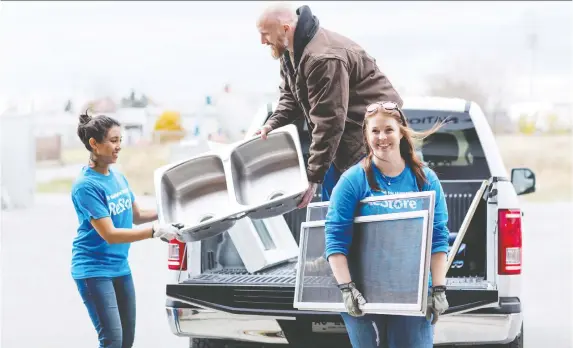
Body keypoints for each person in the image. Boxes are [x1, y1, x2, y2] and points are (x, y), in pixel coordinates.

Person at [324, 101, 450, 348]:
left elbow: (438, 237)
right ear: (366, 136)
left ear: (401, 131)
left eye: (388, 130)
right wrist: (347, 289)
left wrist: (438, 289)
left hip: (412, 294)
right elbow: (335, 238)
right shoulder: (353, 180)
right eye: (375, 131)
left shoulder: (425, 179)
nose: (382, 137)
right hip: (363, 293)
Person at [255, 3, 403, 207]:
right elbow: (290, 97)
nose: (262, 41)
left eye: (265, 34)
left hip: (370, 144)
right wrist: (271, 124)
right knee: (333, 219)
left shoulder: (322, 58)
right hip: (341, 145)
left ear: (285, 29)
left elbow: (329, 121)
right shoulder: (291, 51)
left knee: (361, 220)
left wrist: (313, 177)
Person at [70, 110, 185, 348]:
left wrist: (172, 211)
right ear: (94, 144)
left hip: (120, 268)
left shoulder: (118, 177)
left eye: (120, 140)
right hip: (93, 271)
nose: (119, 146)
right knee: (112, 341)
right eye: (113, 141)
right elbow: (110, 234)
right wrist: (155, 231)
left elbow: (137, 215)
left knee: (126, 341)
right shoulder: (86, 186)